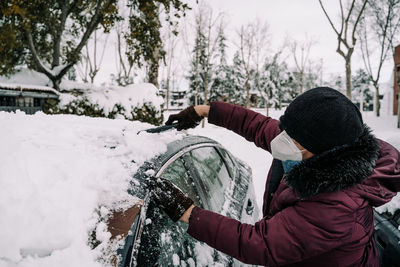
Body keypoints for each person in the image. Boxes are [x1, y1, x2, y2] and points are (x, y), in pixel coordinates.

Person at [150, 87, 400, 266]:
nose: (279, 140)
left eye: (290, 137)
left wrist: (189, 213)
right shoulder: (313, 149)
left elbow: (261, 245)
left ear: (322, 151)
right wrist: (204, 111)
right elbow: (257, 125)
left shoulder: (336, 206)